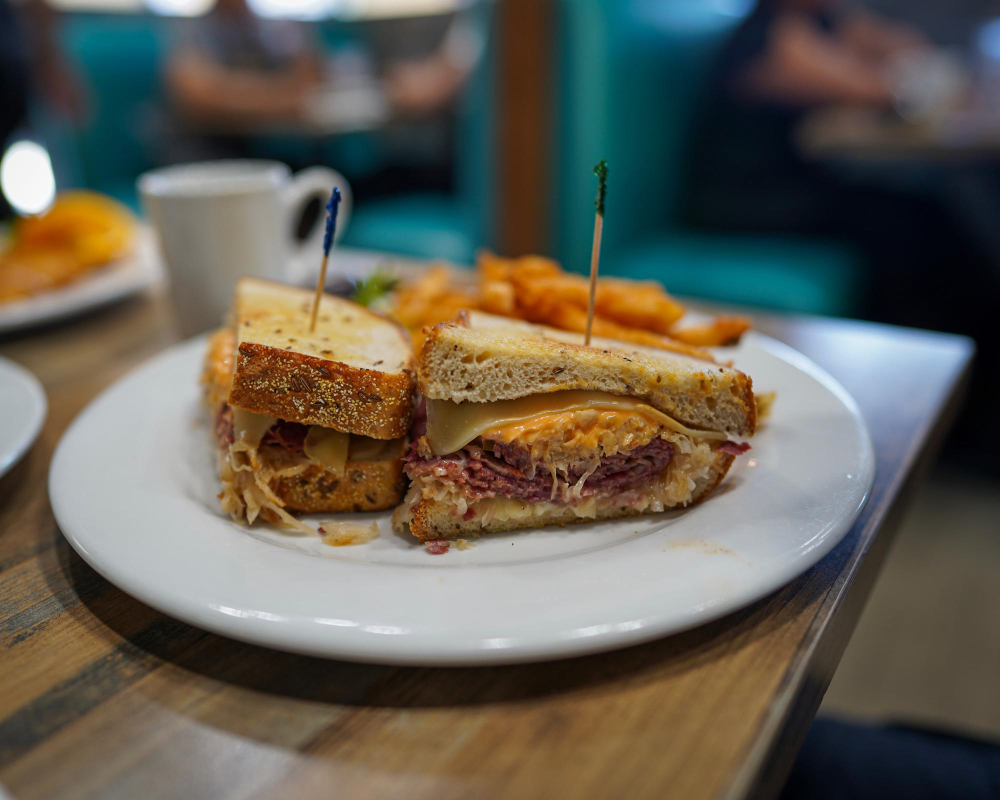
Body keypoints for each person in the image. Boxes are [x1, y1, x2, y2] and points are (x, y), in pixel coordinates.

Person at [166, 0, 323, 126]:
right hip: (203, 147)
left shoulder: (260, 28)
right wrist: (278, 99)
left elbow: (303, 76)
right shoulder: (194, 29)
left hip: (258, 139)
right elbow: (200, 96)